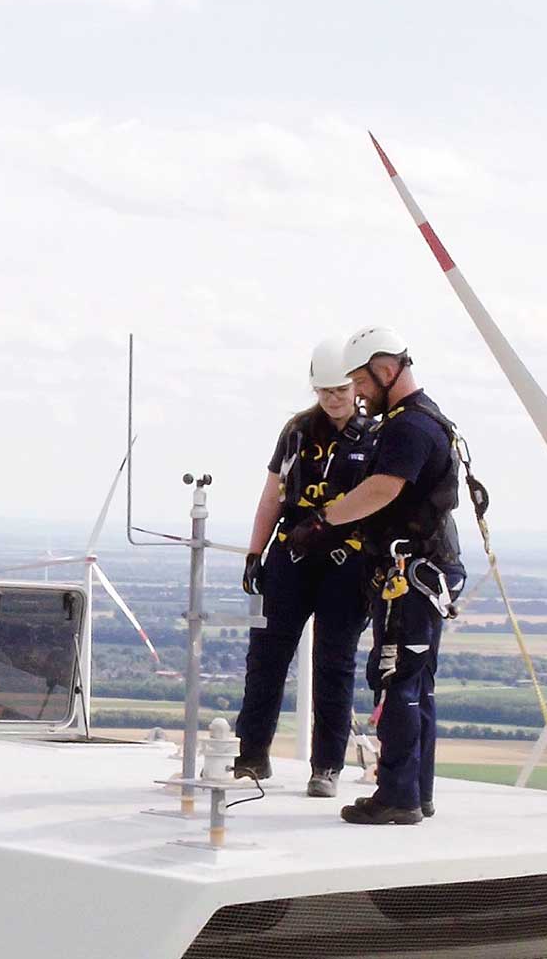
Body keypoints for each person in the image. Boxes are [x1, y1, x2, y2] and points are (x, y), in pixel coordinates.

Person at [282, 325, 465, 825]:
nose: (358, 393)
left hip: (410, 574)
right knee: (416, 682)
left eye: (361, 381)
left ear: (386, 371)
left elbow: (382, 489)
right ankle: (415, 791)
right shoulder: (424, 420)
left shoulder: (409, 427)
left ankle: (398, 797)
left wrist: (322, 520)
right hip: (420, 570)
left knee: (397, 683)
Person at [232, 337, 375, 797]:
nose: (334, 398)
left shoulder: (375, 434)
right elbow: (272, 493)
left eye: (341, 389)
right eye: (324, 391)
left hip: (346, 560)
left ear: (355, 386)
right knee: (266, 659)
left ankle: (327, 766)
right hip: (291, 554)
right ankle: (252, 753)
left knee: (334, 664)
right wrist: (255, 553)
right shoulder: (296, 430)